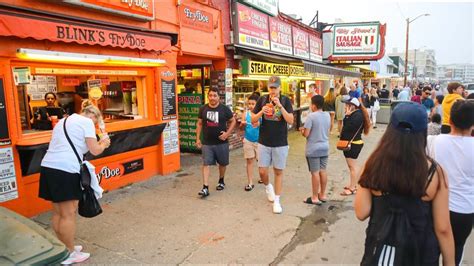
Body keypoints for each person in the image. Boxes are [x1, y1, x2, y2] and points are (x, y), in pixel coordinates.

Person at [354, 102, 454, 265]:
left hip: (380, 252)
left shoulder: (373, 165)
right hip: (421, 254)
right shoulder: (435, 173)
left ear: (390, 130)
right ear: (423, 132)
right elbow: (443, 229)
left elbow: (361, 212)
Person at [39, 100, 111, 264]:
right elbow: (94, 150)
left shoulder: (63, 121)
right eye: (95, 121)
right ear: (92, 115)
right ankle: (70, 253)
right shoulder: (86, 122)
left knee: (58, 212)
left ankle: (64, 246)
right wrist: (103, 143)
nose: (93, 125)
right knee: (68, 213)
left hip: (48, 167)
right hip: (65, 169)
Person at [428, 100, 474, 265]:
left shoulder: (433, 141)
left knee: (431, 251)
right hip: (465, 211)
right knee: (456, 251)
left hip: (435, 208)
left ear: (451, 121)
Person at [252, 75, 294, 214]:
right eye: (271, 87)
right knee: (262, 171)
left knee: (278, 171)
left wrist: (280, 107)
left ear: (280, 88)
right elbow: (252, 119)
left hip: (280, 142)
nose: (273, 90)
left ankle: (277, 200)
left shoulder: (285, 100)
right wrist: (260, 112)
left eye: (275, 88)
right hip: (264, 141)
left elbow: (291, 120)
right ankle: (268, 186)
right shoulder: (262, 99)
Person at [196, 87, 236, 197]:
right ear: (208, 96)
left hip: (221, 142)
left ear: (219, 97)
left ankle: (221, 180)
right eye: (210, 95)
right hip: (207, 143)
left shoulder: (224, 109)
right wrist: (198, 138)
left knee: (222, 163)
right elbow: (199, 124)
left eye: (214, 95)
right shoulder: (203, 109)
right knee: (206, 164)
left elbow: (233, 121)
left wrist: (227, 134)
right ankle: (205, 187)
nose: (212, 98)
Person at [300, 95, 330, 205]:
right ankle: (322, 194)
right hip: (325, 146)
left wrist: (302, 131)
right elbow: (328, 129)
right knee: (323, 171)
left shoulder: (311, 117)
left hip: (313, 148)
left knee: (315, 173)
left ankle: (314, 197)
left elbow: (306, 134)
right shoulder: (327, 115)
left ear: (313, 105)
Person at [339, 97, 371, 196]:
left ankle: (352, 188)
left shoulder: (357, 115)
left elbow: (348, 128)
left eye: (347, 105)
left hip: (353, 144)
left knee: (352, 167)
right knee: (352, 166)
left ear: (352, 106)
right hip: (352, 143)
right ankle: (352, 185)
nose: (345, 107)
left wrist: (347, 117)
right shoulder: (356, 114)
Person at [240, 93, 261, 191]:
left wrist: (260, 124)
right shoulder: (245, 114)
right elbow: (241, 128)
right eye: (249, 103)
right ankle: (250, 182)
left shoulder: (261, 114)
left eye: (253, 104)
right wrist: (242, 124)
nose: (251, 106)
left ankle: (262, 177)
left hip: (260, 141)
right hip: (248, 140)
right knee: (249, 161)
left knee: (260, 161)